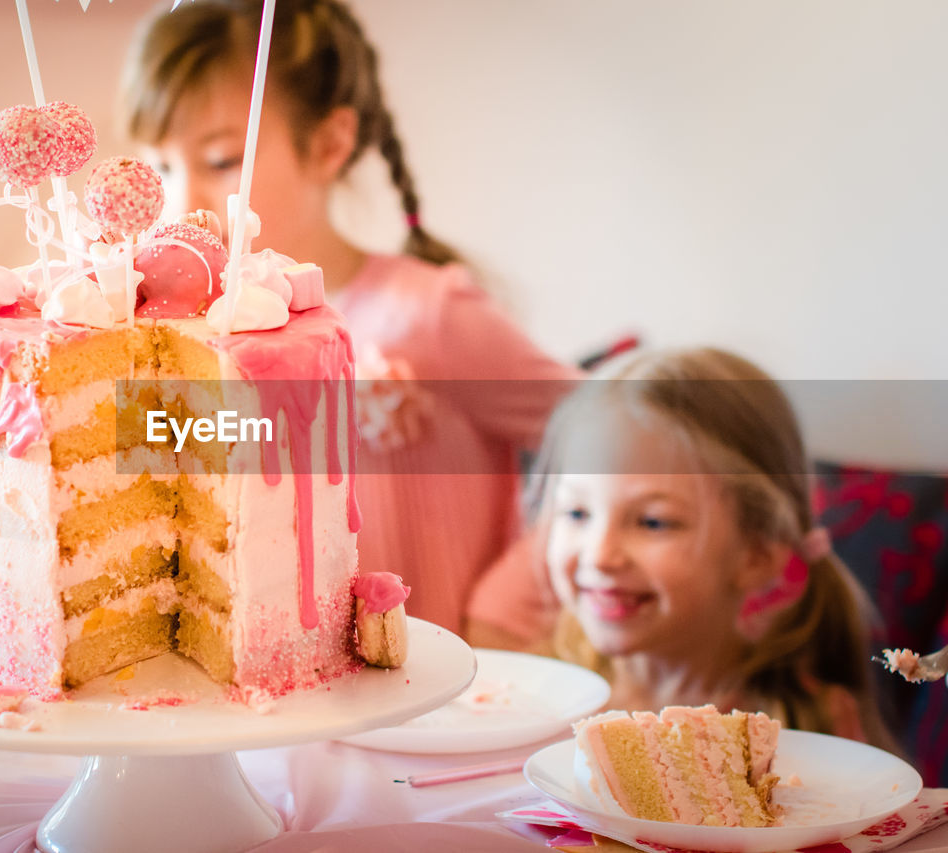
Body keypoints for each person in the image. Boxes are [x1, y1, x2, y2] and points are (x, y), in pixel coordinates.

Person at [120, 0, 578, 635]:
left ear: (331, 143)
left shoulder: (428, 314)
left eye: (222, 160)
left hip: (430, 715)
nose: (181, 204)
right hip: (273, 720)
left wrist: (509, 600)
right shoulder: (198, 340)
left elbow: (610, 443)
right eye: (163, 166)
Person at [526, 346, 899, 748]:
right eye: (578, 513)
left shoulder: (810, 733)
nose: (600, 555)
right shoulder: (535, 698)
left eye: (653, 522)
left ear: (756, 554)